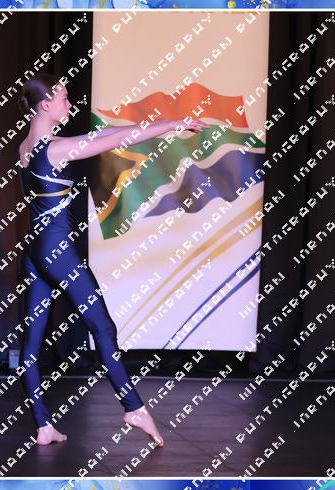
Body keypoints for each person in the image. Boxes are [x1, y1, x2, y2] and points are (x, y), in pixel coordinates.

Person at [16, 73, 209, 447]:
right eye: (64, 98)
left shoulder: (25, 148)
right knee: (102, 328)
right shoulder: (56, 149)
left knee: (32, 343)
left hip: (35, 254)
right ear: (45, 105)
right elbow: (122, 138)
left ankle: (43, 426)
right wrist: (174, 123)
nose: (70, 104)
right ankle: (133, 407)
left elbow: (107, 135)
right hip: (59, 254)